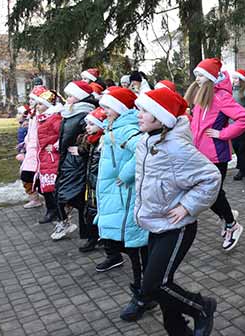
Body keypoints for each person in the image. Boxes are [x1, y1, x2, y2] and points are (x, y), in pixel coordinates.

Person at [135, 87, 221, 336]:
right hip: (155, 223)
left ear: (161, 118)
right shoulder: (146, 141)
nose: (138, 115)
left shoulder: (176, 148)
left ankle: (201, 307)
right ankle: (176, 328)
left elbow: (211, 177)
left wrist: (187, 206)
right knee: (163, 283)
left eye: (144, 111)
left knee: (153, 286)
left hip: (177, 227)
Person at [95, 87, 153, 321]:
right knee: (134, 248)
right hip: (118, 196)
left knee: (136, 248)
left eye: (108, 107)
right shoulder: (114, 126)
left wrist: (127, 173)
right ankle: (146, 292)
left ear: (119, 109)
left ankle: (143, 295)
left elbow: (143, 148)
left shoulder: (124, 128)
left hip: (127, 197)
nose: (104, 111)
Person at [190, 58, 245, 251]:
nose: (196, 78)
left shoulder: (222, 97)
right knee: (211, 194)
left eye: (200, 75)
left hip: (217, 156)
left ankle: (232, 224)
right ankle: (228, 214)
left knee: (211, 195)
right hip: (200, 156)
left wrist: (222, 134)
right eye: (196, 75)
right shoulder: (202, 96)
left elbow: (243, 118)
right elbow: (197, 126)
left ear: (209, 77)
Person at [51, 81, 97, 240]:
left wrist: (82, 149)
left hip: (76, 162)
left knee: (69, 196)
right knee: (67, 196)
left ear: (79, 98)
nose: (67, 99)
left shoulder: (84, 114)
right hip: (67, 160)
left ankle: (89, 233)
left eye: (71, 96)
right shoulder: (70, 112)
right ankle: (87, 233)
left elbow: (94, 136)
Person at [77, 107, 107, 253]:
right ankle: (94, 237)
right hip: (91, 183)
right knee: (89, 211)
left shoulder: (102, 142)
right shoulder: (92, 141)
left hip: (98, 184)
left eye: (91, 124)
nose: (87, 127)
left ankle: (95, 239)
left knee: (93, 212)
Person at [32, 90, 63, 224]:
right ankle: (52, 210)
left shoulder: (54, 118)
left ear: (48, 105)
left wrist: (55, 146)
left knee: (50, 187)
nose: (36, 106)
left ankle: (55, 212)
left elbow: (64, 134)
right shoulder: (43, 118)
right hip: (43, 157)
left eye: (40, 104)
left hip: (51, 157)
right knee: (44, 187)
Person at [21, 87, 44, 211]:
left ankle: (39, 198)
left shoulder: (41, 115)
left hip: (37, 150)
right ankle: (35, 198)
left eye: (32, 99)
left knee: (29, 176)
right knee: (26, 175)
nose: (30, 101)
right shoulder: (33, 114)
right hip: (30, 149)